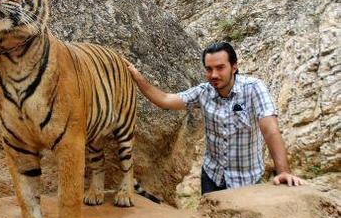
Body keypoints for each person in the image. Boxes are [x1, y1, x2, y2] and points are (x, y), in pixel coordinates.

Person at [125, 41, 305, 194]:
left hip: (246, 180)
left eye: (220, 68)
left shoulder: (254, 89)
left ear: (234, 67)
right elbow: (165, 100)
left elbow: (270, 129)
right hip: (212, 178)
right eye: (209, 69)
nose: (214, 75)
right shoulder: (203, 92)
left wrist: (283, 171)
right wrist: (137, 77)